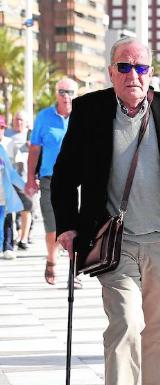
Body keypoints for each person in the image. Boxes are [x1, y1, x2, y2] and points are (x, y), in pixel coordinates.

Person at [50, 37, 160, 385]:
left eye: (140, 67)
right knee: (126, 324)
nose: (132, 74)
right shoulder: (89, 110)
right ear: (111, 72)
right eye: (124, 66)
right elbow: (63, 176)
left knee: (157, 334)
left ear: (150, 73)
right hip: (115, 243)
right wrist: (68, 226)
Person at [26, 77, 78, 285]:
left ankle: (73, 272)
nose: (67, 97)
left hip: (77, 179)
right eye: (63, 92)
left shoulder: (82, 116)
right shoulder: (44, 117)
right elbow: (34, 149)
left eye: (71, 92)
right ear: (56, 94)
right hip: (50, 179)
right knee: (53, 227)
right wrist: (30, 178)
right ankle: (51, 259)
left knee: (76, 227)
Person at [5, 111, 33, 250]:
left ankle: (23, 238)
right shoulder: (6, 133)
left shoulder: (30, 134)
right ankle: (9, 240)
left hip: (24, 178)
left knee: (27, 207)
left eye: (21, 120)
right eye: (16, 119)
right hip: (7, 178)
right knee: (8, 210)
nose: (19, 122)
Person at [0, 116, 25, 260]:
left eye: (2, 127)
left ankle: (7, 247)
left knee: (9, 217)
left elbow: (20, 163)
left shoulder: (10, 143)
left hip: (7, 188)